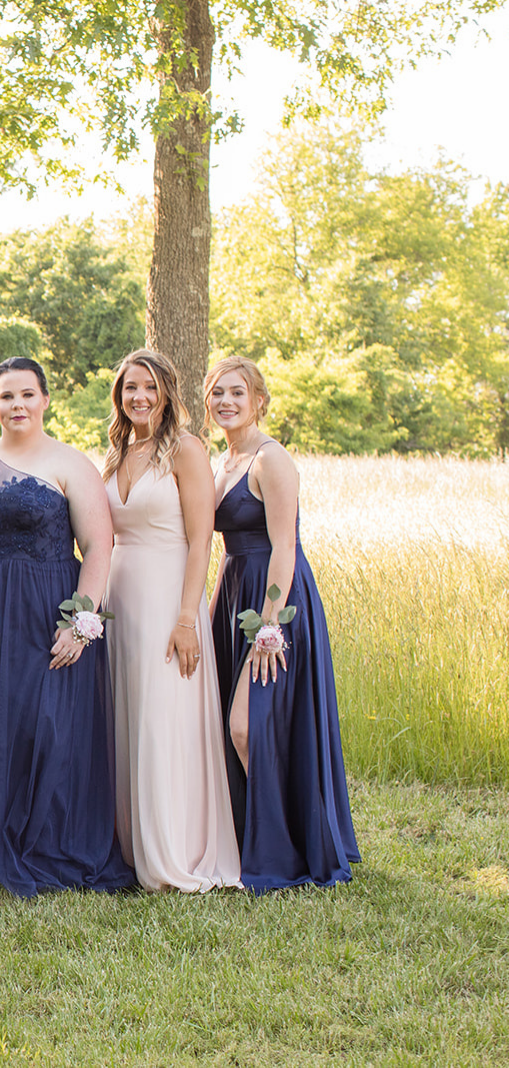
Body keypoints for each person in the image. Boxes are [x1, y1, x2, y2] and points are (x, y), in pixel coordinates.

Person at [0, 357, 134, 896]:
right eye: (6, 396)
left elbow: (98, 547)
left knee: (45, 726)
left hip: (48, 610)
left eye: (27, 395)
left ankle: (50, 843)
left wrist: (82, 622)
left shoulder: (71, 463)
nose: (16, 405)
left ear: (45, 399)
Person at [206, 356, 359, 890]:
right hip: (231, 592)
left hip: (274, 600)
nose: (226, 402)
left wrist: (268, 627)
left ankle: (286, 848)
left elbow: (285, 547)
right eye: (217, 393)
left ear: (259, 400)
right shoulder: (220, 461)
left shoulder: (272, 460)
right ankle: (248, 839)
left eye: (237, 393)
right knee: (232, 724)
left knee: (249, 724)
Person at [102, 350, 242, 893]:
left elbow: (201, 537)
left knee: (165, 720)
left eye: (149, 388)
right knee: (129, 720)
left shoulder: (186, 450)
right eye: (130, 388)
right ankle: (131, 845)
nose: (139, 397)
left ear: (167, 394)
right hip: (121, 599)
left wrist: (188, 617)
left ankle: (176, 851)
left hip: (168, 598)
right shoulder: (116, 453)